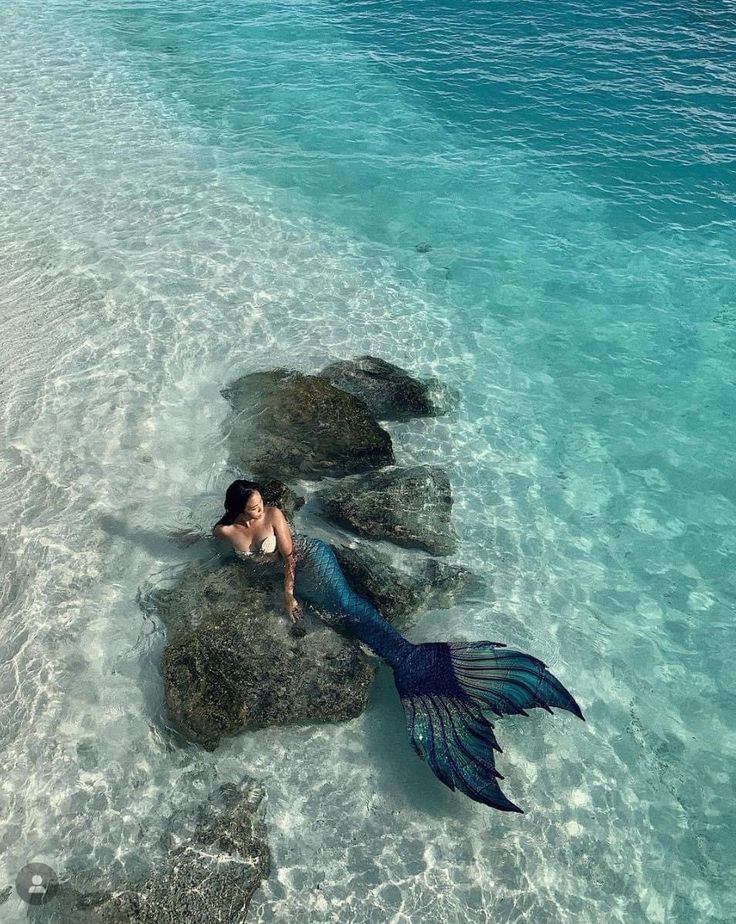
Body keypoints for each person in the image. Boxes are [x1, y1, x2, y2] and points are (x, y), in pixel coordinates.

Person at [213, 478, 583, 813]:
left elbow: (291, 556)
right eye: (253, 507)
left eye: (261, 503)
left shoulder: (275, 514)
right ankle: (410, 662)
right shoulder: (226, 532)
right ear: (238, 511)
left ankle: (408, 659)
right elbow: (224, 548)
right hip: (285, 579)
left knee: (347, 606)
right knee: (344, 619)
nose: (260, 509)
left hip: (311, 562)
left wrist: (289, 596)